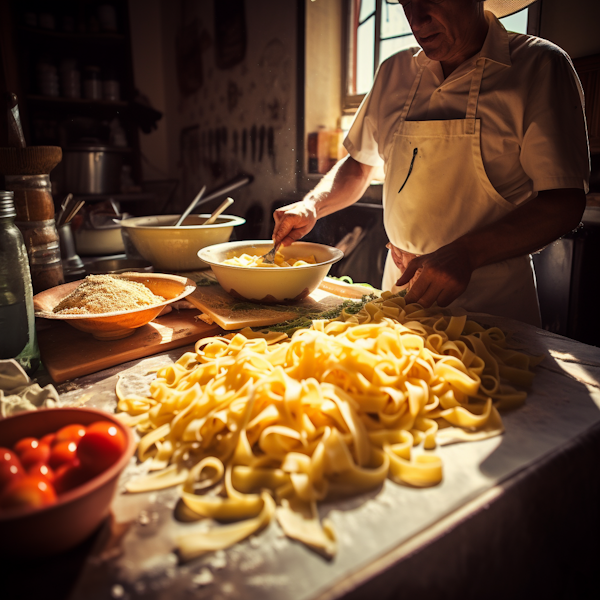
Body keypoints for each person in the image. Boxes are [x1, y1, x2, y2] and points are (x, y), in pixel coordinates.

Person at [271, 0, 590, 327]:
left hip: (491, 305)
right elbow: (360, 164)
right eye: (407, 2)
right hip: (399, 292)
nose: (417, 19)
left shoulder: (539, 66)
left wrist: (468, 253)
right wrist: (313, 205)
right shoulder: (394, 71)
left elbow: (564, 202)